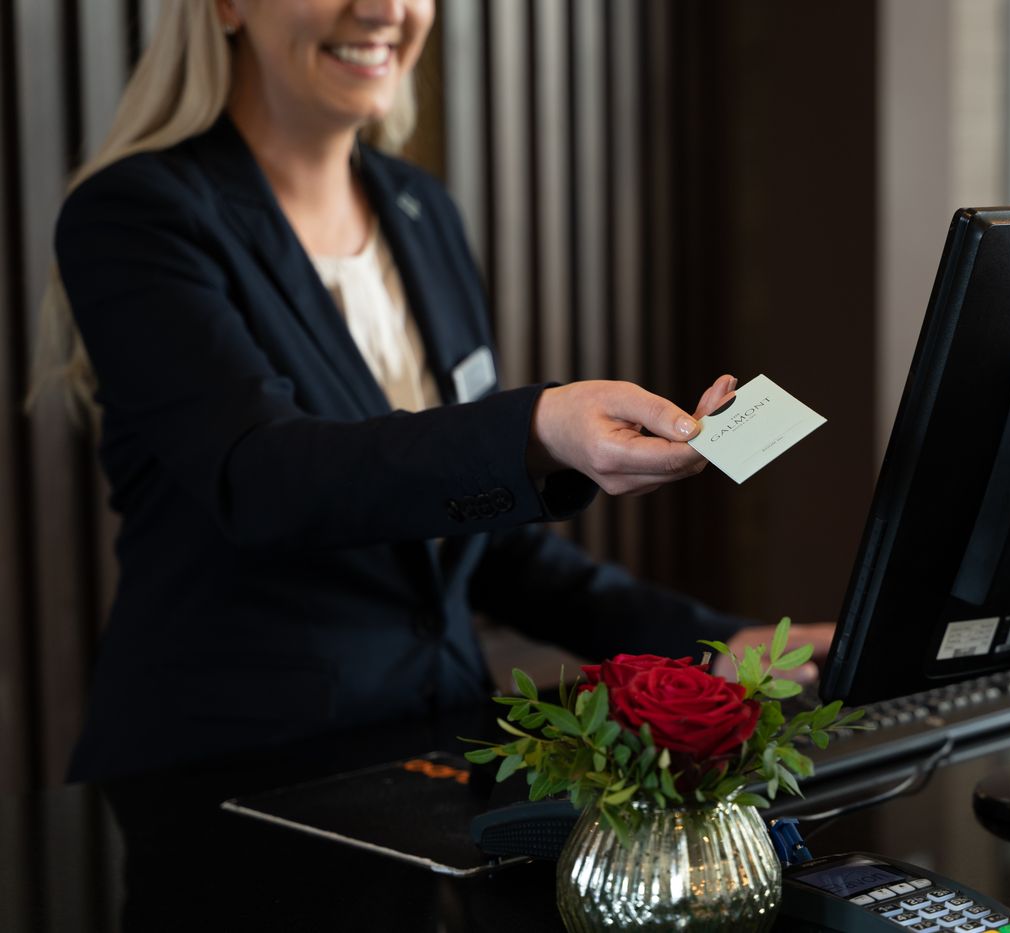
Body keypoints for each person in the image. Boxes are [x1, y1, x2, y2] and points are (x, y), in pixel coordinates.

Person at [37, 0, 828, 782]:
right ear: (227, 6)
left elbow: (484, 545)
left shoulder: (421, 210)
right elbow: (263, 476)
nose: (385, 8)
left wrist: (711, 643)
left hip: (433, 762)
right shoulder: (138, 215)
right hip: (226, 783)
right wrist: (535, 430)